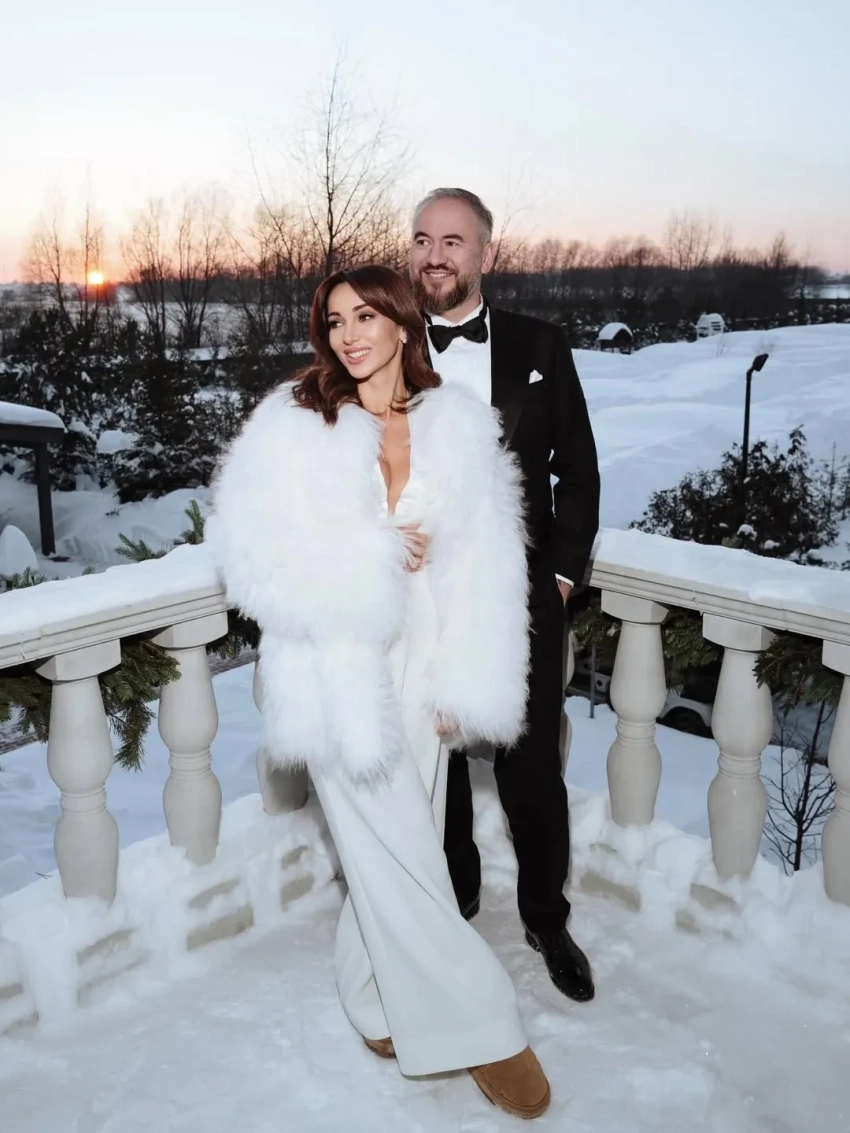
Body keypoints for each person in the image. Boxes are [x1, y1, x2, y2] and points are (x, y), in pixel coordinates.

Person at [206, 264, 551, 1119]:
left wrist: (468, 677)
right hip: (336, 669)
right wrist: (372, 555)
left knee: (402, 847)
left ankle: (370, 997)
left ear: (402, 322)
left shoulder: (458, 425)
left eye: (365, 316)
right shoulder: (294, 423)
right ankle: (486, 1024)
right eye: (334, 321)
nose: (349, 335)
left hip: (427, 660)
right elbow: (249, 561)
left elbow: (489, 567)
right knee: (401, 854)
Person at [410, 188, 601, 1003]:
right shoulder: (383, 343)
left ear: (484, 252)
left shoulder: (540, 344)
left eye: (452, 240)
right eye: (422, 239)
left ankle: (547, 918)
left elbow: (578, 471)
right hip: (422, 592)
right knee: (438, 758)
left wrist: (559, 576)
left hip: (521, 593)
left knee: (531, 768)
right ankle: (454, 895)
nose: (435, 256)